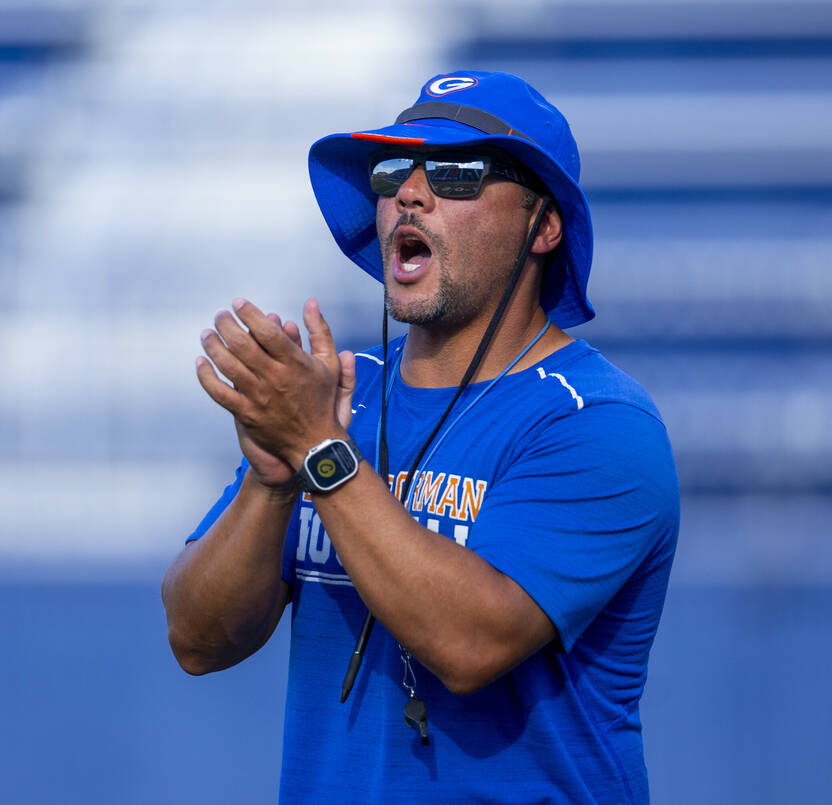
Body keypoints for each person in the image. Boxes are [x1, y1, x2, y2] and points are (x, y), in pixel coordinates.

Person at [161, 70, 679, 804]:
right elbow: (195, 637)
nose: (410, 190)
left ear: (544, 223)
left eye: (459, 172)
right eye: (390, 169)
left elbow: (469, 642)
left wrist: (319, 453)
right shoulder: (341, 392)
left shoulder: (598, 421)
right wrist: (271, 481)